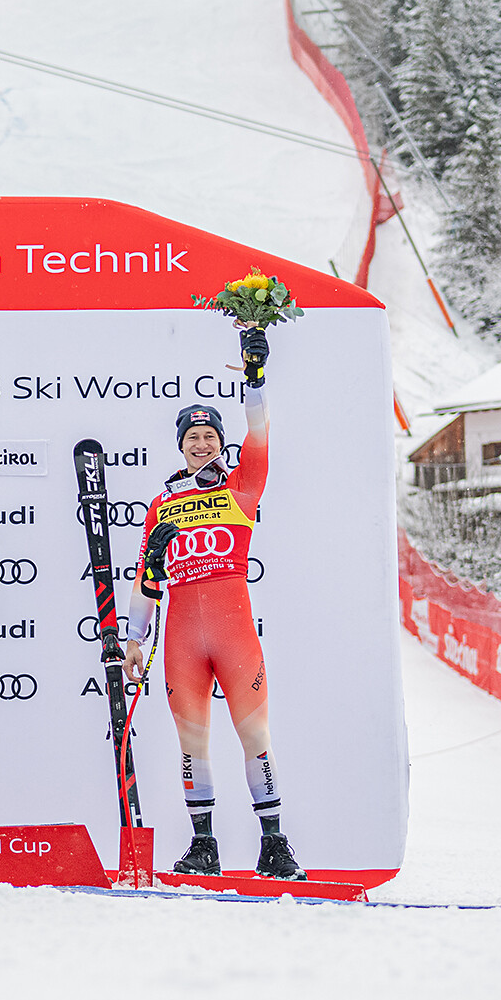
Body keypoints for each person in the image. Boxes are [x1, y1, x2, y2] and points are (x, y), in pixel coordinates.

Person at [123, 325, 305, 881]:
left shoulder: (242, 486)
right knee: (191, 741)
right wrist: (134, 638)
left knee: (255, 737)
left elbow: (258, 427)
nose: (200, 445)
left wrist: (255, 375)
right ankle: (204, 844)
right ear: (179, 445)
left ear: (219, 443)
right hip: (180, 636)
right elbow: (145, 577)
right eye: (191, 438)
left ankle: (274, 844)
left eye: (208, 437)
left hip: (232, 631)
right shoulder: (164, 501)